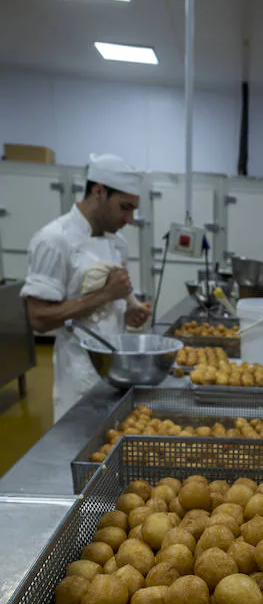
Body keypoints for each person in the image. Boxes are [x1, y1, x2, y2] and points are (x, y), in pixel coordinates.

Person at [22, 153, 150, 421]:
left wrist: (124, 313)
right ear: (99, 192)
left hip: (116, 376)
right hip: (78, 383)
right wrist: (106, 295)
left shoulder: (116, 242)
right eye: (125, 207)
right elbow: (38, 318)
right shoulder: (54, 240)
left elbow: (103, 311)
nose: (130, 219)